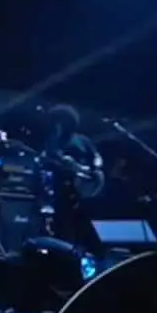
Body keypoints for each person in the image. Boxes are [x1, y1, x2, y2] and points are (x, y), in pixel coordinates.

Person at [41, 104, 104, 252]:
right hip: (64, 191)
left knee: (85, 226)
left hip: (85, 189)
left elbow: (96, 157)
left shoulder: (82, 140)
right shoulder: (53, 143)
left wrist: (93, 169)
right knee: (65, 226)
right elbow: (49, 161)